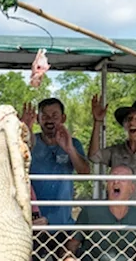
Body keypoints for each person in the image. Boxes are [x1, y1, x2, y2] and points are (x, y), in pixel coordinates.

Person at [63, 166, 136, 261]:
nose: (116, 182)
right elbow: (70, 246)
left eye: (123, 179)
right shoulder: (90, 212)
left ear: (132, 188)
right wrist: (68, 259)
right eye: (112, 178)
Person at [24, 97, 89, 226]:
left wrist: (69, 148)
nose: (49, 120)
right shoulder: (29, 143)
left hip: (63, 222)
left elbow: (85, 173)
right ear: (38, 119)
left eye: (54, 116)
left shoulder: (73, 143)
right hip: (33, 221)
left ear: (63, 118)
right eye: (45, 116)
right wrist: (26, 130)